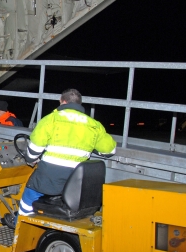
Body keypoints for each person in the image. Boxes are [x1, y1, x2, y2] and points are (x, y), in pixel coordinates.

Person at [18, 88, 116, 216]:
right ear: (79, 104)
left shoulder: (50, 120)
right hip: (76, 179)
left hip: (50, 176)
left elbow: (33, 153)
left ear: (61, 101)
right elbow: (110, 150)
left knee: (30, 194)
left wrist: (30, 158)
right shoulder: (94, 125)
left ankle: (19, 224)